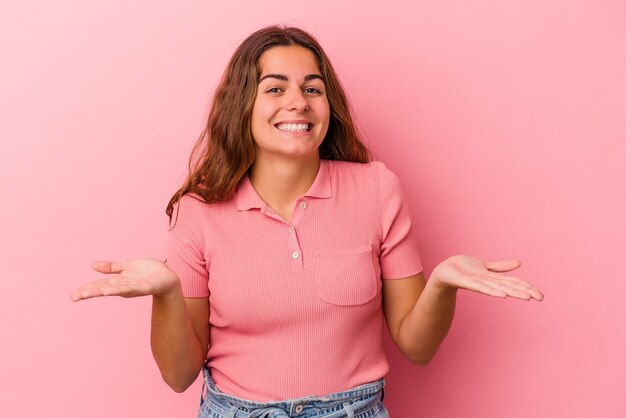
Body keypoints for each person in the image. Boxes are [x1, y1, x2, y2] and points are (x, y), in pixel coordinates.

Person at [71, 25, 544, 418]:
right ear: (243, 106)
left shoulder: (377, 189)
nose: (298, 102)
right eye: (275, 88)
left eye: (311, 88)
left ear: (327, 105)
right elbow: (178, 376)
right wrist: (167, 293)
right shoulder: (200, 210)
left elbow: (416, 347)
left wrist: (441, 284)